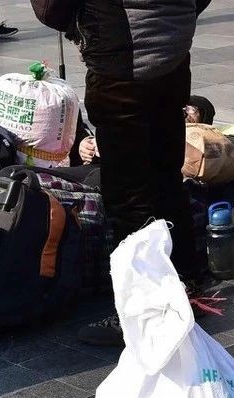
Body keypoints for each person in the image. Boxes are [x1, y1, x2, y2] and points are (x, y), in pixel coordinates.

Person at [74, 0, 211, 346]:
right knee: (166, 178)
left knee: (126, 194)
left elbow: (50, 8)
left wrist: (82, 22)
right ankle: (186, 285)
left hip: (120, 59)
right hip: (173, 54)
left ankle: (142, 311)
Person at [71, 94, 215, 167]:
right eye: (182, 107)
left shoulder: (198, 143)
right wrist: (86, 145)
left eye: (192, 110)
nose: (184, 112)